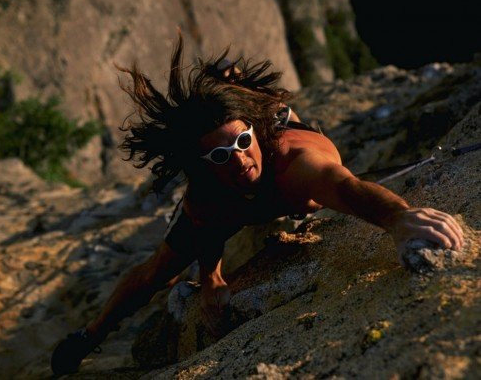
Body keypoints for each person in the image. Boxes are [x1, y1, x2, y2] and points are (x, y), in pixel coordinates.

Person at [50, 35, 464, 375]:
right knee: (160, 269)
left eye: (242, 142)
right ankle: (91, 334)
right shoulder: (206, 192)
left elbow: (348, 188)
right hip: (235, 194)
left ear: (253, 133)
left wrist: (398, 218)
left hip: (279, 170)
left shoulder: (295, 163)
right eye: (219, 155)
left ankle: (235, 84)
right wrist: (211, 279)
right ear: (202, 165)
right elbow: (205, 233)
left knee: (301, 188)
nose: (239, 158)